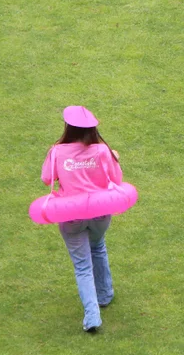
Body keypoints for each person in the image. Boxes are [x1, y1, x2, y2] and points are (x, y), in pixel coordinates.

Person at [40, 106, 123, 333]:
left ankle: (92, 316)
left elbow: (46, 178)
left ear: (68, 127)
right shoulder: (103, 150)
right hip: (100, 213)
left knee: (82, 266)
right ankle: (104, 294)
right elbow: (116, 178)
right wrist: (114, 159)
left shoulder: (57, 151)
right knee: (98, 247)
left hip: (71, 216)